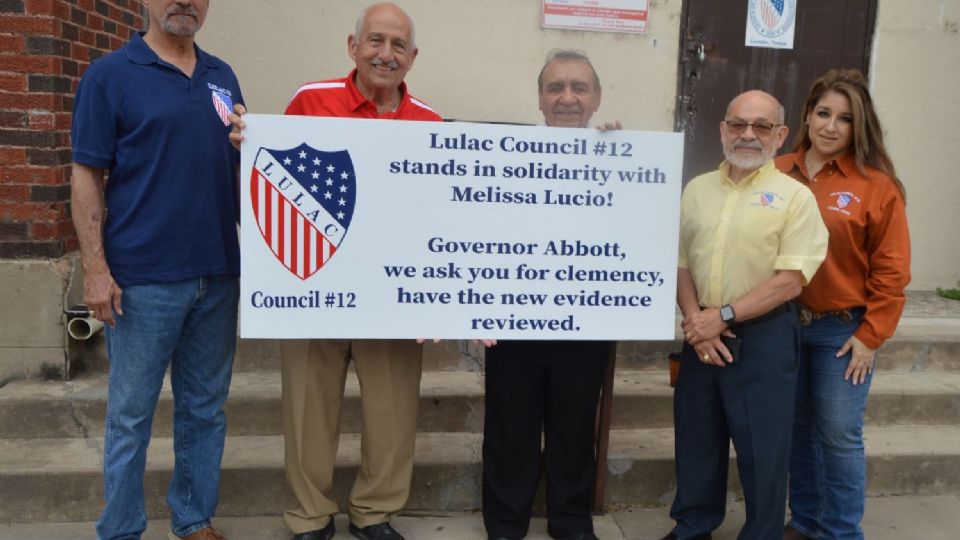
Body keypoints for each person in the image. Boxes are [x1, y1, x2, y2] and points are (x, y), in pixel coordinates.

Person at [231, 4, 437, 540]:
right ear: (353, 46)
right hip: (311, 284)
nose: (384, 54)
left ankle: (375, 512)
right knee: (307, 406)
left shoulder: (431, 123)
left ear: (412, 58)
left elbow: (438, 214)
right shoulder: (309, 100)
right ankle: (309, 515)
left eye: (397, 46)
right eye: (375, 41)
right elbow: (270, 177)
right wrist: (248, 146)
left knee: (392, 413)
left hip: (390, 298)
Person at [70, 1, 242, 539]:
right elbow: (86, 174)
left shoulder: (223, 76)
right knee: (129, 416)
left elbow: (238, 170)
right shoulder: (109, 76)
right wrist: (94, 270)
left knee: (205, 410)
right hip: (143, 279)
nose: (184, 2)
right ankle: (120, 528)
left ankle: (193, 521)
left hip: (217, 273)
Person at [661, 90, 828, 540]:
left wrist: (724, 316)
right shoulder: (696, 190)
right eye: (738, 124)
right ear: (722, 129)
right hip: (701, 337)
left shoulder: (795, 198)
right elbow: (679, 261)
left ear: (780, 134)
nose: (748, 135)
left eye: (761, 126)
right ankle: (693, 526)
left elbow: (791, 280)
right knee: (696, 440)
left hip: (764, 338)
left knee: (764, 450)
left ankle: (762, 533)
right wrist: (697, 321)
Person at [482, 49, 617, 540]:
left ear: (596, 98)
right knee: (509, 430)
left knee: (574, 429)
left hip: (586, 321)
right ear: (540, 99)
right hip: (514, 321)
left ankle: (571, 522)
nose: (567, 98)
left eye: (579, 88)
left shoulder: (620, 157)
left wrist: (623, 160)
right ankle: (505, 523)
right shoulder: (504, 154)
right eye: (555, 88)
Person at [776, 69, 910, 540]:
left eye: (845, 119)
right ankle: (806, 521)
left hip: (842, 330)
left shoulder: (877, 186)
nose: (831, 126)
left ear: (859, 127)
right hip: (782, 325)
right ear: (808, 116)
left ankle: (840, 532)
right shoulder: (775, 171)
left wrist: (870, 336)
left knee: (837, 434)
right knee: (795, 431)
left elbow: (892, 272)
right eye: (824, 113)